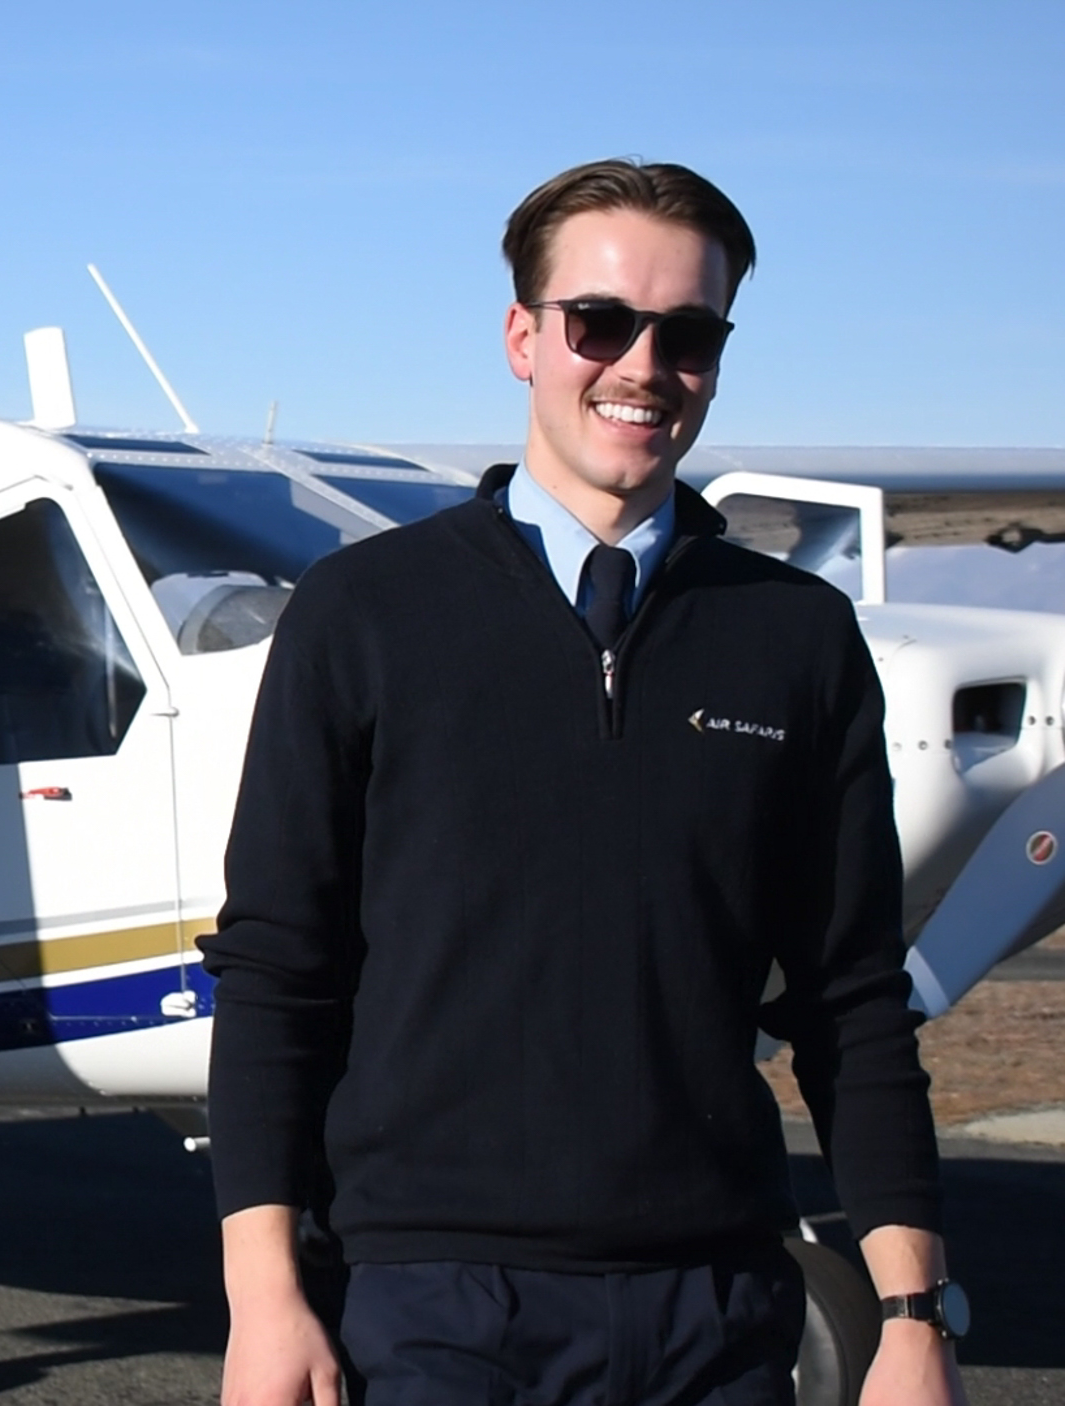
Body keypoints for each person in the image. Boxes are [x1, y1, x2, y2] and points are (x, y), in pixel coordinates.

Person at [204, 159, 965, 1406]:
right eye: (599, 322)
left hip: (718, 1306)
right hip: (434, 1305)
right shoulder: (366, 612)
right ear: (523, 336)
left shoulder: (798, 636)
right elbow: (280, 968)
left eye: (689, 333)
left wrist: (911, 1318)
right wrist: (264, 1297)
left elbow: (853, 1001)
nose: (642, 366)